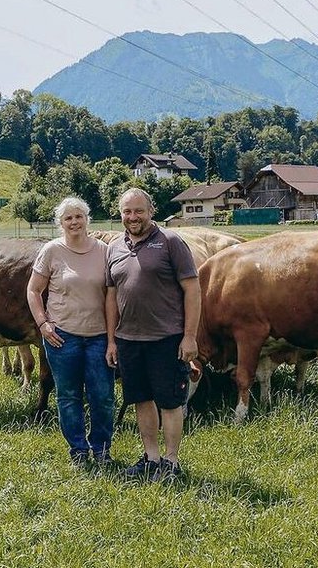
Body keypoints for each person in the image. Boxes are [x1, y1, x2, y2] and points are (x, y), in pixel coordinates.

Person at [104, 188, 200, 482]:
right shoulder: (114, 247)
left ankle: (171, 462)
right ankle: (151, 458)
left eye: (139, 211)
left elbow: (192, 290)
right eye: (127, 211)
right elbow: (111, 297)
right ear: (120, 214)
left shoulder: (171, 242)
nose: (133, 217)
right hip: (129, 340)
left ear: (151, 211)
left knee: (169, 402)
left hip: (166, 338)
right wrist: (112, 340)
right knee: (141, 399)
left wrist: (190, 336)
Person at [27, 197, 115, 467]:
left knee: (103, 396)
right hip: (63, 337)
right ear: (61, 223)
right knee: (68, 396)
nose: (74, 222)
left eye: (79, 216)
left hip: (99, 336)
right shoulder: (52, 251)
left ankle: (101, 449)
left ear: (87, 219)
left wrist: (112, 338)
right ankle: (78, 450)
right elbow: (33, 290)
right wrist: (43, 323)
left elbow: (111, 297)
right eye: (68, 218)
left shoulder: (103, 251)